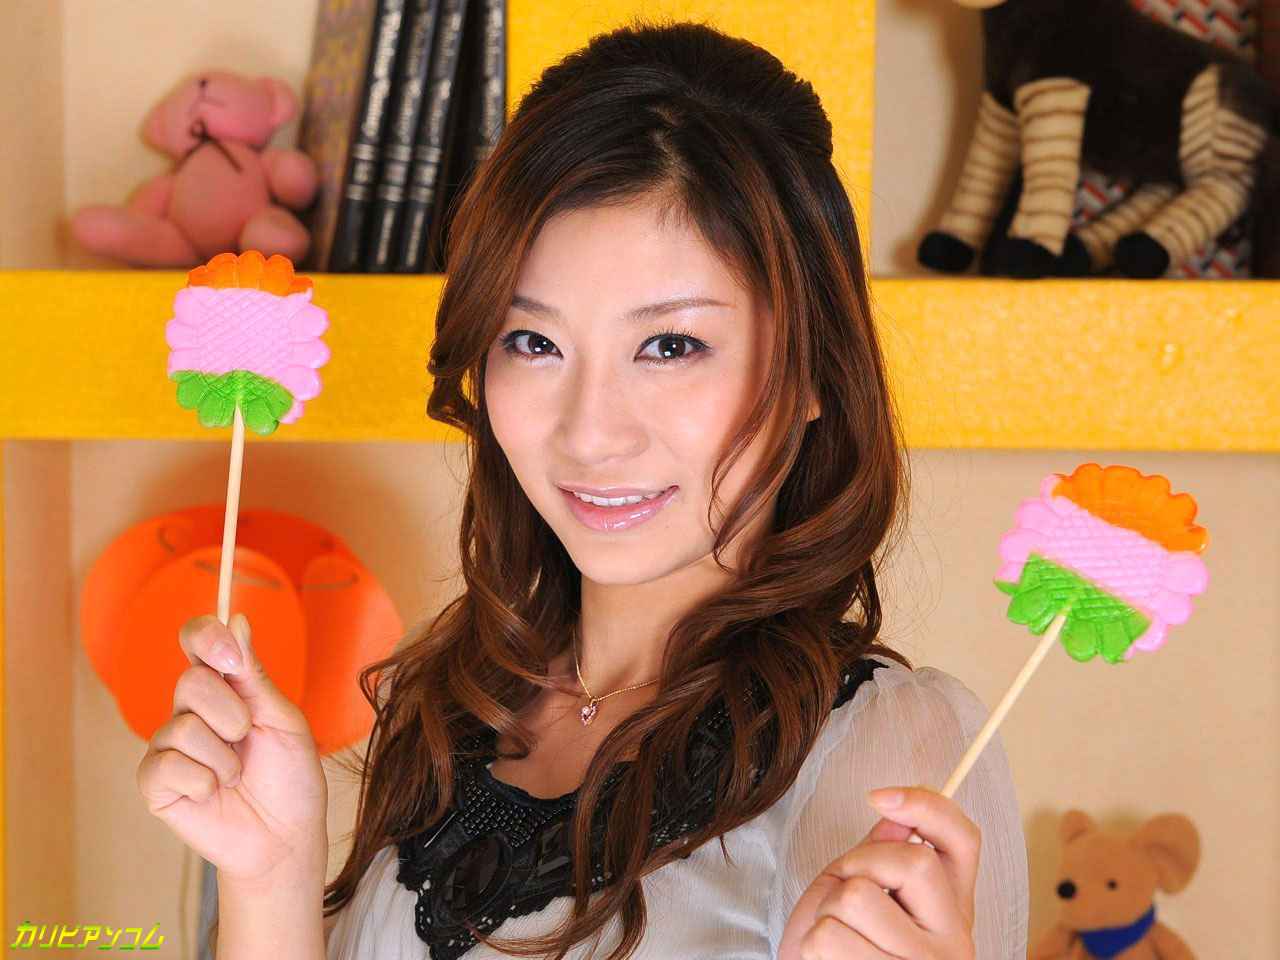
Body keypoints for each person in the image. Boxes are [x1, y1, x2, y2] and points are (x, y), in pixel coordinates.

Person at [137, 16, 1030, 960]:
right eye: (534, 342)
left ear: (813, 369)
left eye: (671, 345)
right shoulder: (450, 701)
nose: (589, 432)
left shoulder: (891, 748)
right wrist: (271, 875)